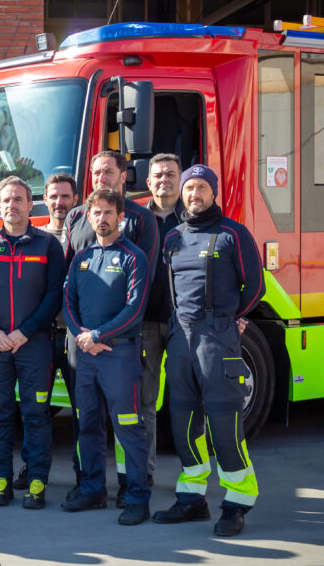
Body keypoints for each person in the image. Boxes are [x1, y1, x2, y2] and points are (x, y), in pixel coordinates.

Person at [153, 164, 264, 536]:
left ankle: (236, 503)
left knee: (224, 423)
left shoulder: (234, 233)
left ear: (213, 192)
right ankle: (192, 499)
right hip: (180, 338)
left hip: (218, 339)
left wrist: (234, 316)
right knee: (183, 422)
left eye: (201, 187)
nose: (193, 194)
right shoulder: (174, 237)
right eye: (189, 189)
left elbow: (256, 286)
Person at [63, 150, 160, 507]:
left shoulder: (133, 255)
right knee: (87, 425)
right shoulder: (82, 259)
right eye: (96, 213)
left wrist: (98, 336)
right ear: (88, 216)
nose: (101, 218)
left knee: (128, 426)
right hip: (85, 355)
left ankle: (136, 496)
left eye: (108, 213)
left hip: (120, 354)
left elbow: (135, 308)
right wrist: (81, 337)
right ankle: (92, 491)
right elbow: (68, 303)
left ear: (121, 216)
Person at [0, 176, 65, 508]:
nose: (11, 205)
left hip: (35, 345)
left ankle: (37, 482)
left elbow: (55, 295)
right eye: (6, 200)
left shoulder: (47, 245)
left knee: (36, 414)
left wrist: (24, 331)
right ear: (0, 205)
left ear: (30, 204)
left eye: (18, 200)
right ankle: (1, 482)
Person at [139, 153, 185, 482]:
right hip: (145, 323)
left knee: (186, 401)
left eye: (170, 173)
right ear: (148, 182)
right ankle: (145, 470)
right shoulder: (136, 220)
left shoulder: (197, 217)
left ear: (179, 179)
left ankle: (192, 477)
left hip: (186, 325)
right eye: (158, 175)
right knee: (145, 402)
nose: (164, 179)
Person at [37, 173, 78, 492]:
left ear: (75, 200)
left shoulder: (85, 235)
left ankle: (84, 473)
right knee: (36, 410)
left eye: (65, 196)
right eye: (54, 196)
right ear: (45, 199)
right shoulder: (36, 238)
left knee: (83, 410)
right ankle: (34, 470)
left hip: (76, 337)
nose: (59, 202)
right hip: (42, 336)